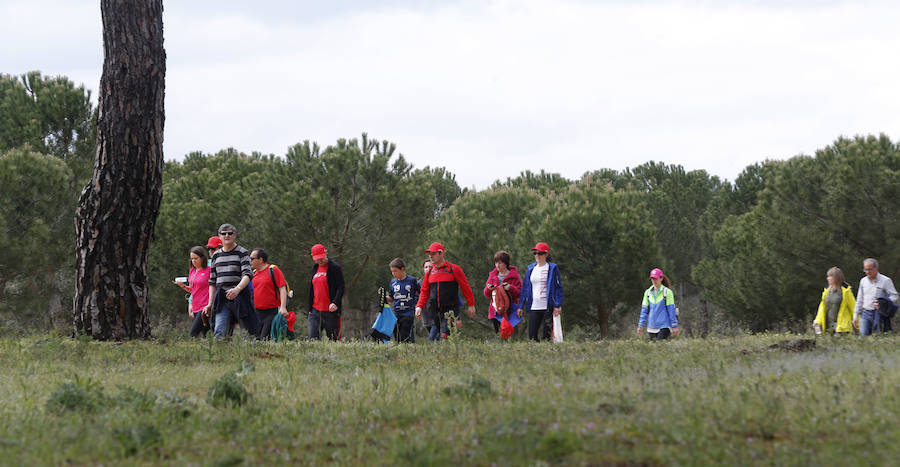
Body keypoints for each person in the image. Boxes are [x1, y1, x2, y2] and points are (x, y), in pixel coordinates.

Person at [201, 224, 260, 339]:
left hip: (240, 295)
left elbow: (248, 274)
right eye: (224, 233)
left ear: (235, 235)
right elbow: (212, 282)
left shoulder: (242, 252)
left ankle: (252, 354)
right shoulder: (216, 256)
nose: (227, 236)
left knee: (248, 331)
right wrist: (210, 303)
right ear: (220, 236)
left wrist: (237, 289)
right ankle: (219, 355)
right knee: (219, 330)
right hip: (222, 297)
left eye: (230, 233)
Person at [415, 242, 476, 340]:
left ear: (441, 253)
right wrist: (419, 306)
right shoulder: (429, 273)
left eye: (433, 254)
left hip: (451, 309)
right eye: (429, 254)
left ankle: (449, 350)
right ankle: (446, 352)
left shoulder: (454, 269)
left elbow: (465, 287)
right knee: (437, 337)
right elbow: (424, 291)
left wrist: (471, 304)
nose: (430, 256)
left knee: (444, 335)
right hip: (434, 310)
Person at [519, 242, 563, 341]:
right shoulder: (531, 268)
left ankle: (548, 355)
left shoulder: (552, 268)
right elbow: (525, 288)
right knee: (532, 336)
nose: (537, 255)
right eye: (535, 253)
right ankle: (535, 355)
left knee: (546, 337)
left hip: (548, 306)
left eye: (540, 253)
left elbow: (558, 288)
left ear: (546, 254)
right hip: (534, 306)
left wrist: (558, 305)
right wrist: (520, 306)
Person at [852, 258, 899, 336]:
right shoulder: (863, 281)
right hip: (865, 313)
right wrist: (855, 316)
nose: (867, 272)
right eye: (865, 269)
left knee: (879, 337)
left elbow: (895, 296)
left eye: (870, 269)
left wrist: (884, 302)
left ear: (876, 268)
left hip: (879, 314)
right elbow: (859, 300)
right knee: (863, 338)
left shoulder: (886, 280)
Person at [308, 243, 345, 341]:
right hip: (315, 310)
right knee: (313, 339)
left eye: (321, 258)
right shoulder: (314, 269)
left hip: (330, 311)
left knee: (333, 339)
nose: (319, 261)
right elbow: (312, 289)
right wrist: (310, 307)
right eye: (317, 259)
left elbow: (341, 287)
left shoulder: (334, 268)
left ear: (326, 253)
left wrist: (335, 302)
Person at [250, 248, 289, 340]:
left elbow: (282, 288)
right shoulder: (254, 273)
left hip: (272, 311)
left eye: (252, 259)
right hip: (257, 312)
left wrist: (283, 307)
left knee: (265, 338)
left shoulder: (273, 270)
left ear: (260, 260)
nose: (250, 261)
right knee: (257, 338)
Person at [173, 246, 211, 338]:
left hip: (205, 306)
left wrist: (210, 304)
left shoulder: (209, 270)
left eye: (196, 258)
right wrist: (183, 286)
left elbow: (213, 287)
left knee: (193, 334)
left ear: (202, 258)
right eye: (192, 258)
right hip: (195, 306)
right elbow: (193, 290)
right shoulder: (192, 271)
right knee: (204, 334)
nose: (193, 261)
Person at [483, 250, 522, 335]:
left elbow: (519, 292)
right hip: (495, 309)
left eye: (500, 263)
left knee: (507, 333)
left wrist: (510, 288)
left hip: (509, 309)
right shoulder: (493, 276)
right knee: (498, 333)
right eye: (496, 263)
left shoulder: (514, 276)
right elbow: (486, 294)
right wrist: (489, 289)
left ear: (506, 263)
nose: (497, 265)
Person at [383, 258, 419, 343]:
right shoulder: (393, 283)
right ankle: (400, 351)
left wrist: (418, 306)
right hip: (396, 313)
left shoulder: (412, 281)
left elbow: (420, 294)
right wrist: (383, 296)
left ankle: (407, 350)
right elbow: (391, 299)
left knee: (405, 335)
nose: (393, 274)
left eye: (395, 271)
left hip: (408, 313)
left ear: (402, 269)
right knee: (397, 335)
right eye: (392, 271)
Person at [636, 268, 678, 340]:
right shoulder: (647, 293)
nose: (654, 280)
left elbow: (671, 311)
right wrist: (640, 325)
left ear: (661, 278)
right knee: (654, 350)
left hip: (664, 326)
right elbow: (644, 311)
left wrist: (674, 326)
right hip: (651, 327)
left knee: (661, 348)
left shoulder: (667, 292)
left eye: (656, 278)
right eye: (652, 278)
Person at [813, 267, 856, 335]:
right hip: (828, 327)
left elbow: (854, 308)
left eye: (830, 276)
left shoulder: (846, 291)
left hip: (842, 328)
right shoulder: (826, 291)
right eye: (828, 276)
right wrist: (817, 321)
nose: (828, 278)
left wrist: (858, 325)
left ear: (836, 278)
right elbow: (822, 309)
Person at [418, 259, 441, 341]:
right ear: (423, 269)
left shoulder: (440, 281)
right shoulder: (419, 283)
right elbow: (417, 298)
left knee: (432, 338)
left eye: (430, 266)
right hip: (426, 316)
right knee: (436, 339)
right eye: (426, 267)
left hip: (437, 316)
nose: (428, 268)